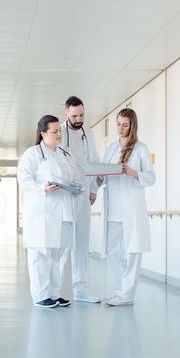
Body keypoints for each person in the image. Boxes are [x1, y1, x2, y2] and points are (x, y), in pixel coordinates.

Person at [17, 115, 84, 309]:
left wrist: (76, 188)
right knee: (41, 254)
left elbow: (75, 177)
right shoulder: (33, 153)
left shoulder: (64, 154)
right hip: (42, 213)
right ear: (43, 133)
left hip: (64, 212)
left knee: (58, 254)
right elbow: (23, 177)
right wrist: (42, 188)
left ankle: (54, 294)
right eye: (54, 131)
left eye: (59, 131)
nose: (58, 134)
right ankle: (40, 295)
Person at [100, 107, 156, 306]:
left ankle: (127, 295)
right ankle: (118, 291)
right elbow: (103, 174)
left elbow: (151, 178)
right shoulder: (111, 149)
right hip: (114, 207)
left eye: (125, 125)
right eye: (118, 124)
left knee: (132, 251)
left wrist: (132, 172)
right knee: (113, 251)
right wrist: (99, 177)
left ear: (132, 126)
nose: (121, 128)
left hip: (132, 207)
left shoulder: (141, 148)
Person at [60, 95, 101, 303]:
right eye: (74, 115)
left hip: (84, 193)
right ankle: (54, 290)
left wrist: (94, 189)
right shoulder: (58, 132)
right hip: (64, 194)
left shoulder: (89, 134)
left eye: (82, 115)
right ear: (66, 113)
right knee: (61, 242)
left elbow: (94, 161)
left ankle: (81, 289)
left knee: (82, 241)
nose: (79, 119)